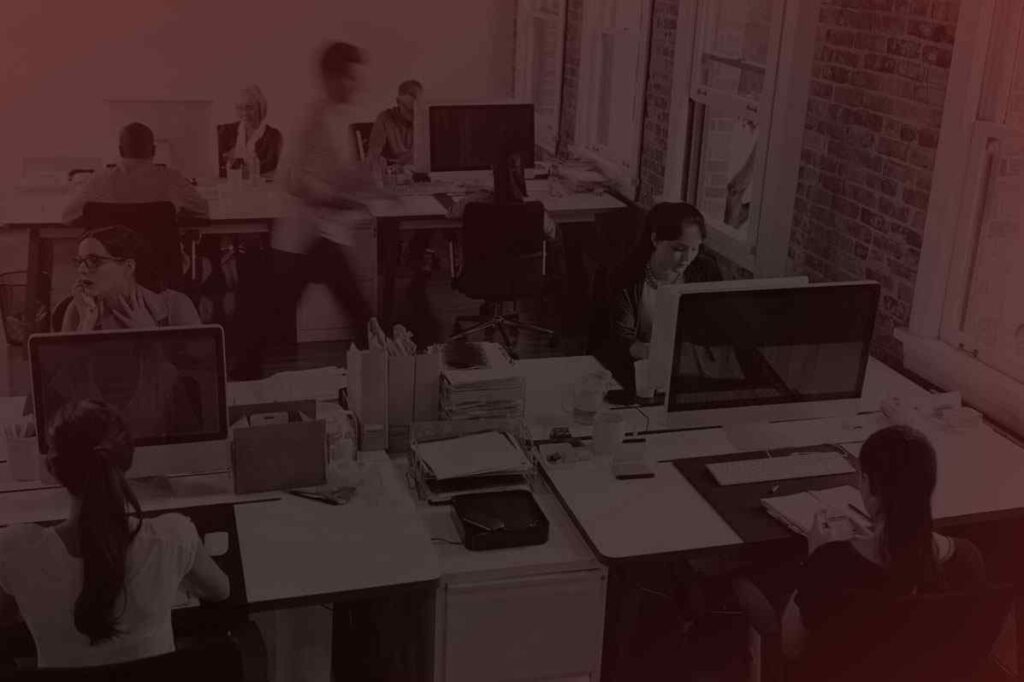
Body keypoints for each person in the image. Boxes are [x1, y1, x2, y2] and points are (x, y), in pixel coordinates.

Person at [0, 400, 229, 668]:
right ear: (127, 458)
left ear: (53, 468)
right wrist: (171, 577)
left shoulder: (15, 552)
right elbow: (220, 591)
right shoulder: (174, 537)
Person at [257, 41, 391, 359]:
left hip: (321, 236)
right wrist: (338, 199)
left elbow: (332, 174)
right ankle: (384, 364)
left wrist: (368, 183)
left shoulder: (337, 117)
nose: (356, 85)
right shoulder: (312, 118)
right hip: (302, 236)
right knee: (275, 322)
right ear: (331, 77)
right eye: (350, 78)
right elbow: (293, 179)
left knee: (357, 312)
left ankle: (382, 364)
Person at [597, 202, 722, 391]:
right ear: (655, 239)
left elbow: (716, 327)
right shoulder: (624, 277)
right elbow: (622, 342)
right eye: (678, 249)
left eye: (695, 249)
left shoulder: (705, 270)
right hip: (639, 370)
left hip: (690, 369)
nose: (688, 258)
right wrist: (659, 354)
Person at [60, 226, 200, 332]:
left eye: (94, 261)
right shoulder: (78, 308)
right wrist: (85, 325)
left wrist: (150, 336)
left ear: (128, 267)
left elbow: (196, 363)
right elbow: (65, 363)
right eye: (79, 261)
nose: (82, 270)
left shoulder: (175, 305)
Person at [62, 123, 209, 224]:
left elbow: (68, 217)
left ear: (120, 150)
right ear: (154, 150)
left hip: (112, 259)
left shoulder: (99, 180)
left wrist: (100, 219)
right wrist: (175, 215)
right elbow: (203, 211)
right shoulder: (172, 178)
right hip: (161, 258)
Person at [217, 84, 283, 179]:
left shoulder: (273, 136)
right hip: (229, 185)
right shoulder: (224, 131)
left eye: (249, 107)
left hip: (258, 186)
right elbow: (217, 165)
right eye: (240, 108)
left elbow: (270, 165)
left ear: (260, 108)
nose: (244, 113)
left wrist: (236, 166)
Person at [367, 79, 422, 168]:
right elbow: (373, 154)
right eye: (409, 110)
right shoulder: (385, 118)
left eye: (417, 107)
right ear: (398, 102)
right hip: (392, 169)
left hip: (417, 169)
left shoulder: (424, 118)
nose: (414, 114)